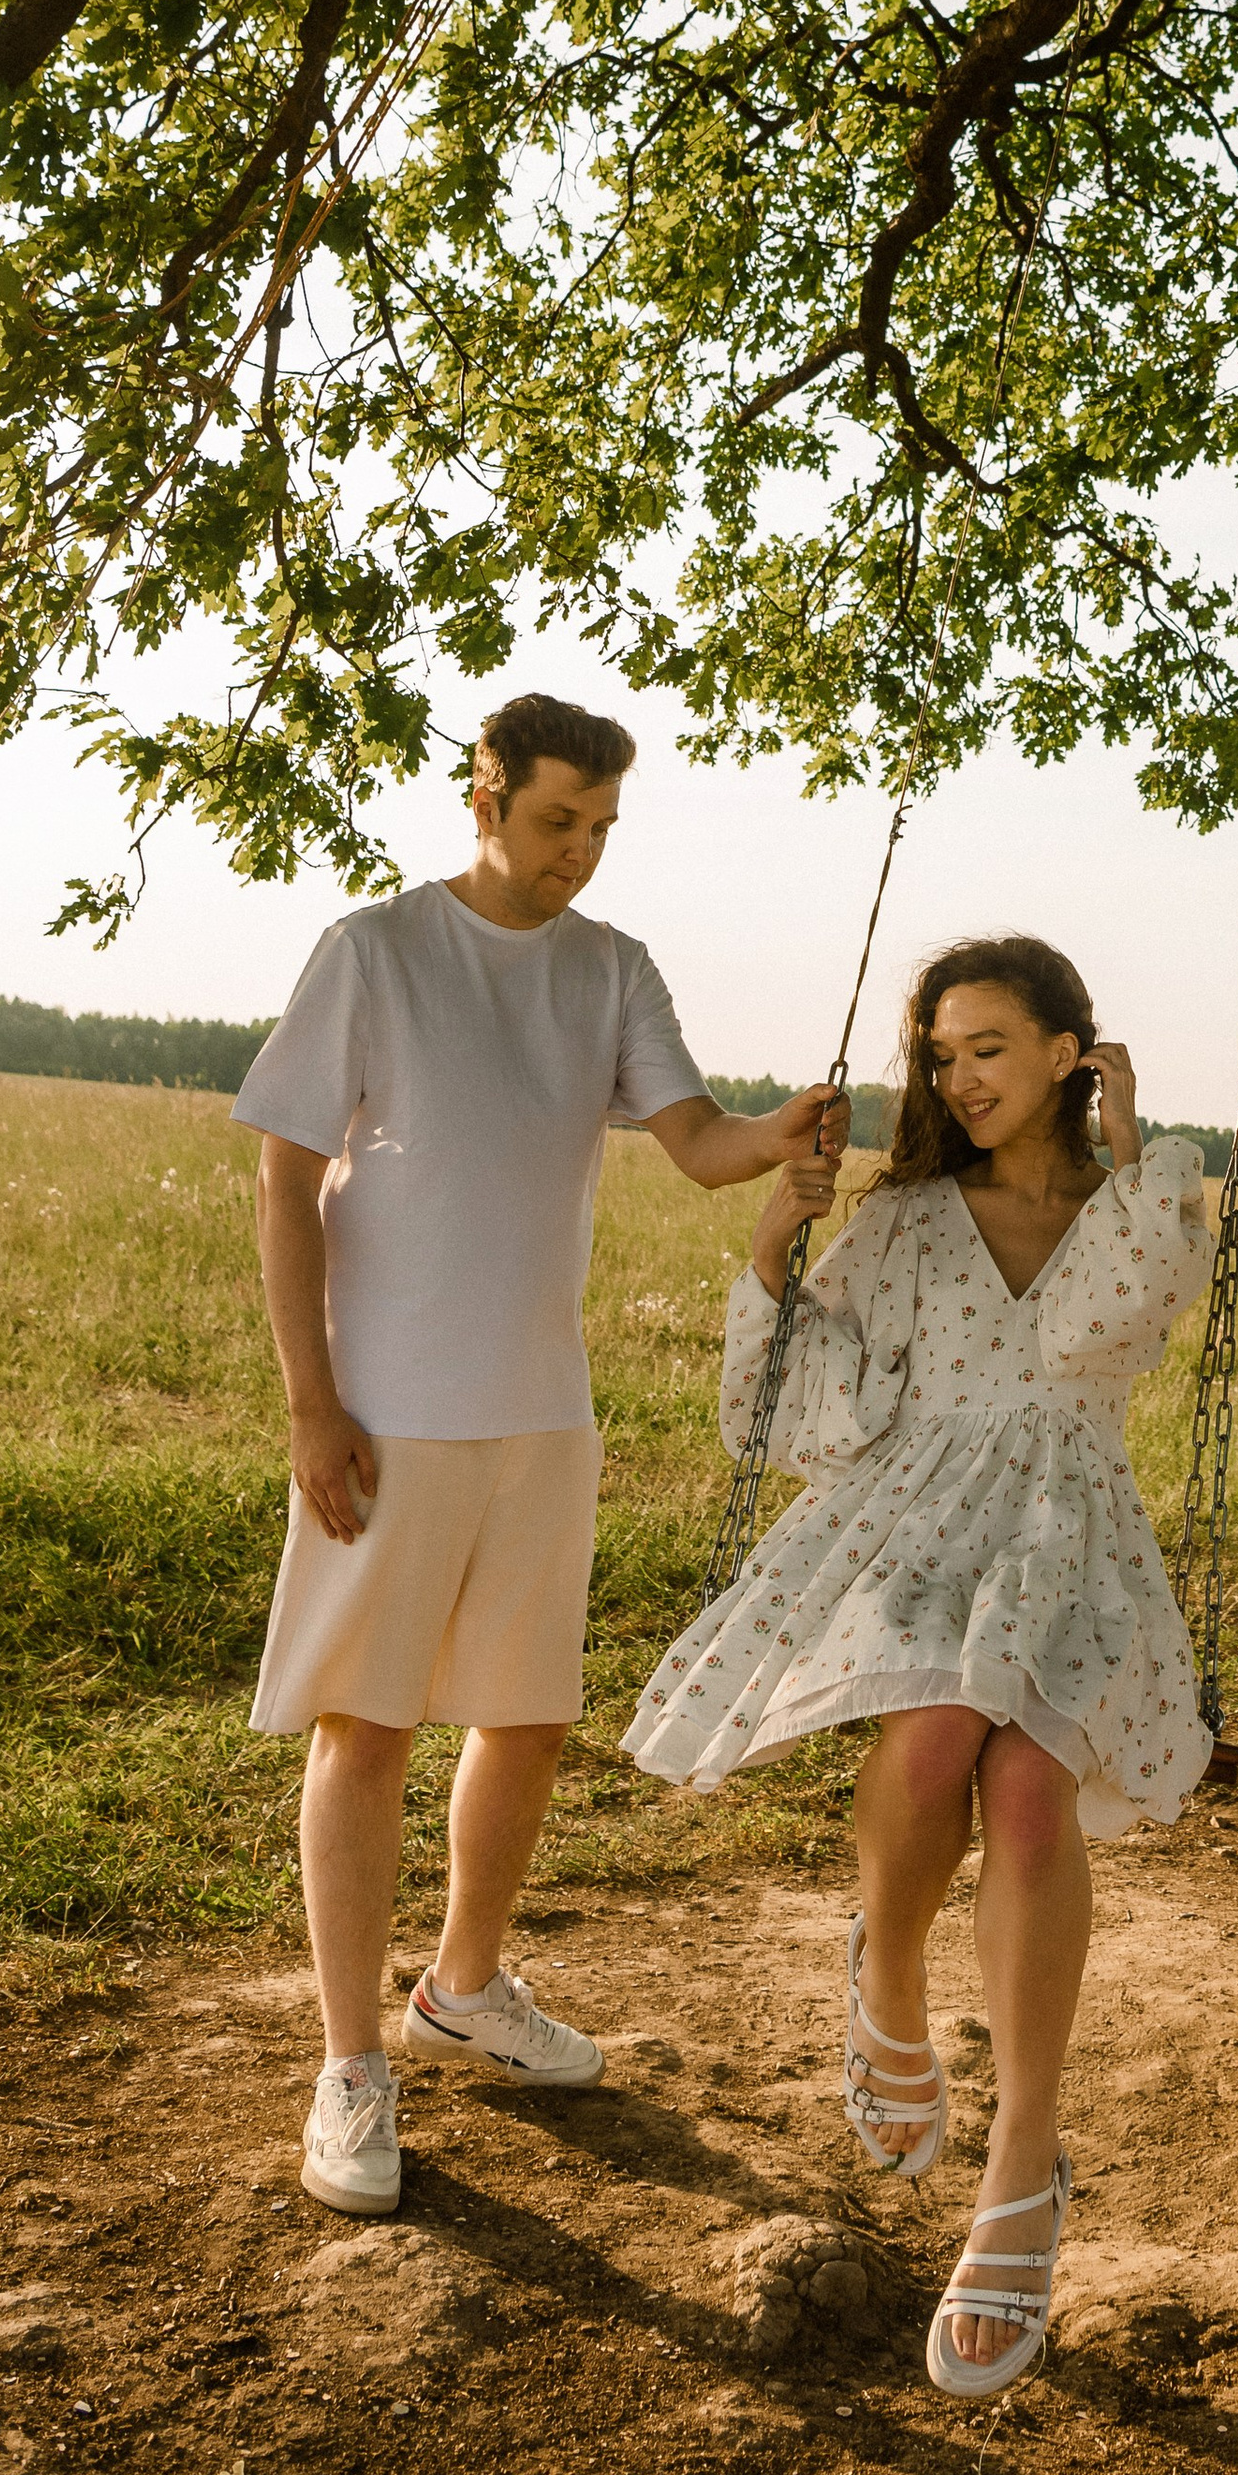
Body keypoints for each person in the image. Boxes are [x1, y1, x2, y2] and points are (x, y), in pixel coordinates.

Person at [236, 688, 846, 2221]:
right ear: (486, 797)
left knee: (525, 1719)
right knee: (365, 1730)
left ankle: (464, 1986)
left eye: (603, 830)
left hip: (542, 1411)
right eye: (558, 819)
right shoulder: (374, 951)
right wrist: (312, 1404)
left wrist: (780, 1137)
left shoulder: (611, 969)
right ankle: (352, 2067)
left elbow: (696, 1143)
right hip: (384, 1410)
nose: (580, 853)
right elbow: (284, 1184)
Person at [623, 933, 1213, 2399]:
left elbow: (1125, 1326)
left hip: (1067, 1530)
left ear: (1075, 1049)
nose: (961, 1078)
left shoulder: (1150, 1197)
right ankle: (887, 1981)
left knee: (1026, 1800)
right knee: (942, 1729)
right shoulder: (900, 1222)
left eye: (992, 1047)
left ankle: (1022, 2166)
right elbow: (809, 1417)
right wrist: (775, 1243)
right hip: (913, 1524)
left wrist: (1135, 1152)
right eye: (943, 1054)